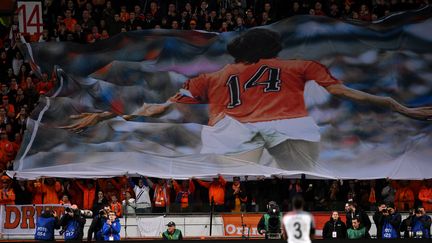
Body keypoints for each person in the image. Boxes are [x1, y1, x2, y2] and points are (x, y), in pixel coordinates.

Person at [62, 28, 432, 173]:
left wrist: (103, 117)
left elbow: (158, 109)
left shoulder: (209, 77)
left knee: (235, 172)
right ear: (272, 49)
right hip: (289, 125)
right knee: (298, 172)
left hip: (230, 130)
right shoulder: (300, 65)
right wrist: (401, 107)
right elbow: (346, 92)